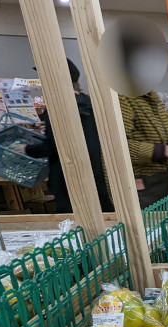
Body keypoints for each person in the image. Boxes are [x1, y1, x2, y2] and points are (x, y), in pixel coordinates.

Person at [25, 59, 113, 213]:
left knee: (74, 222)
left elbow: (54, 145)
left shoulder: (58, 107)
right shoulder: (88, 103)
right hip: (95, 172)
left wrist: (26, 149)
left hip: (67, 175)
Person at [119, 91, 168, 208]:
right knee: (153, 223)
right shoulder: (121, 98)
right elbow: (118, 146)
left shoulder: (151, 96)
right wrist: (164, 150)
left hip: (165, 179)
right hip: (142, 184)